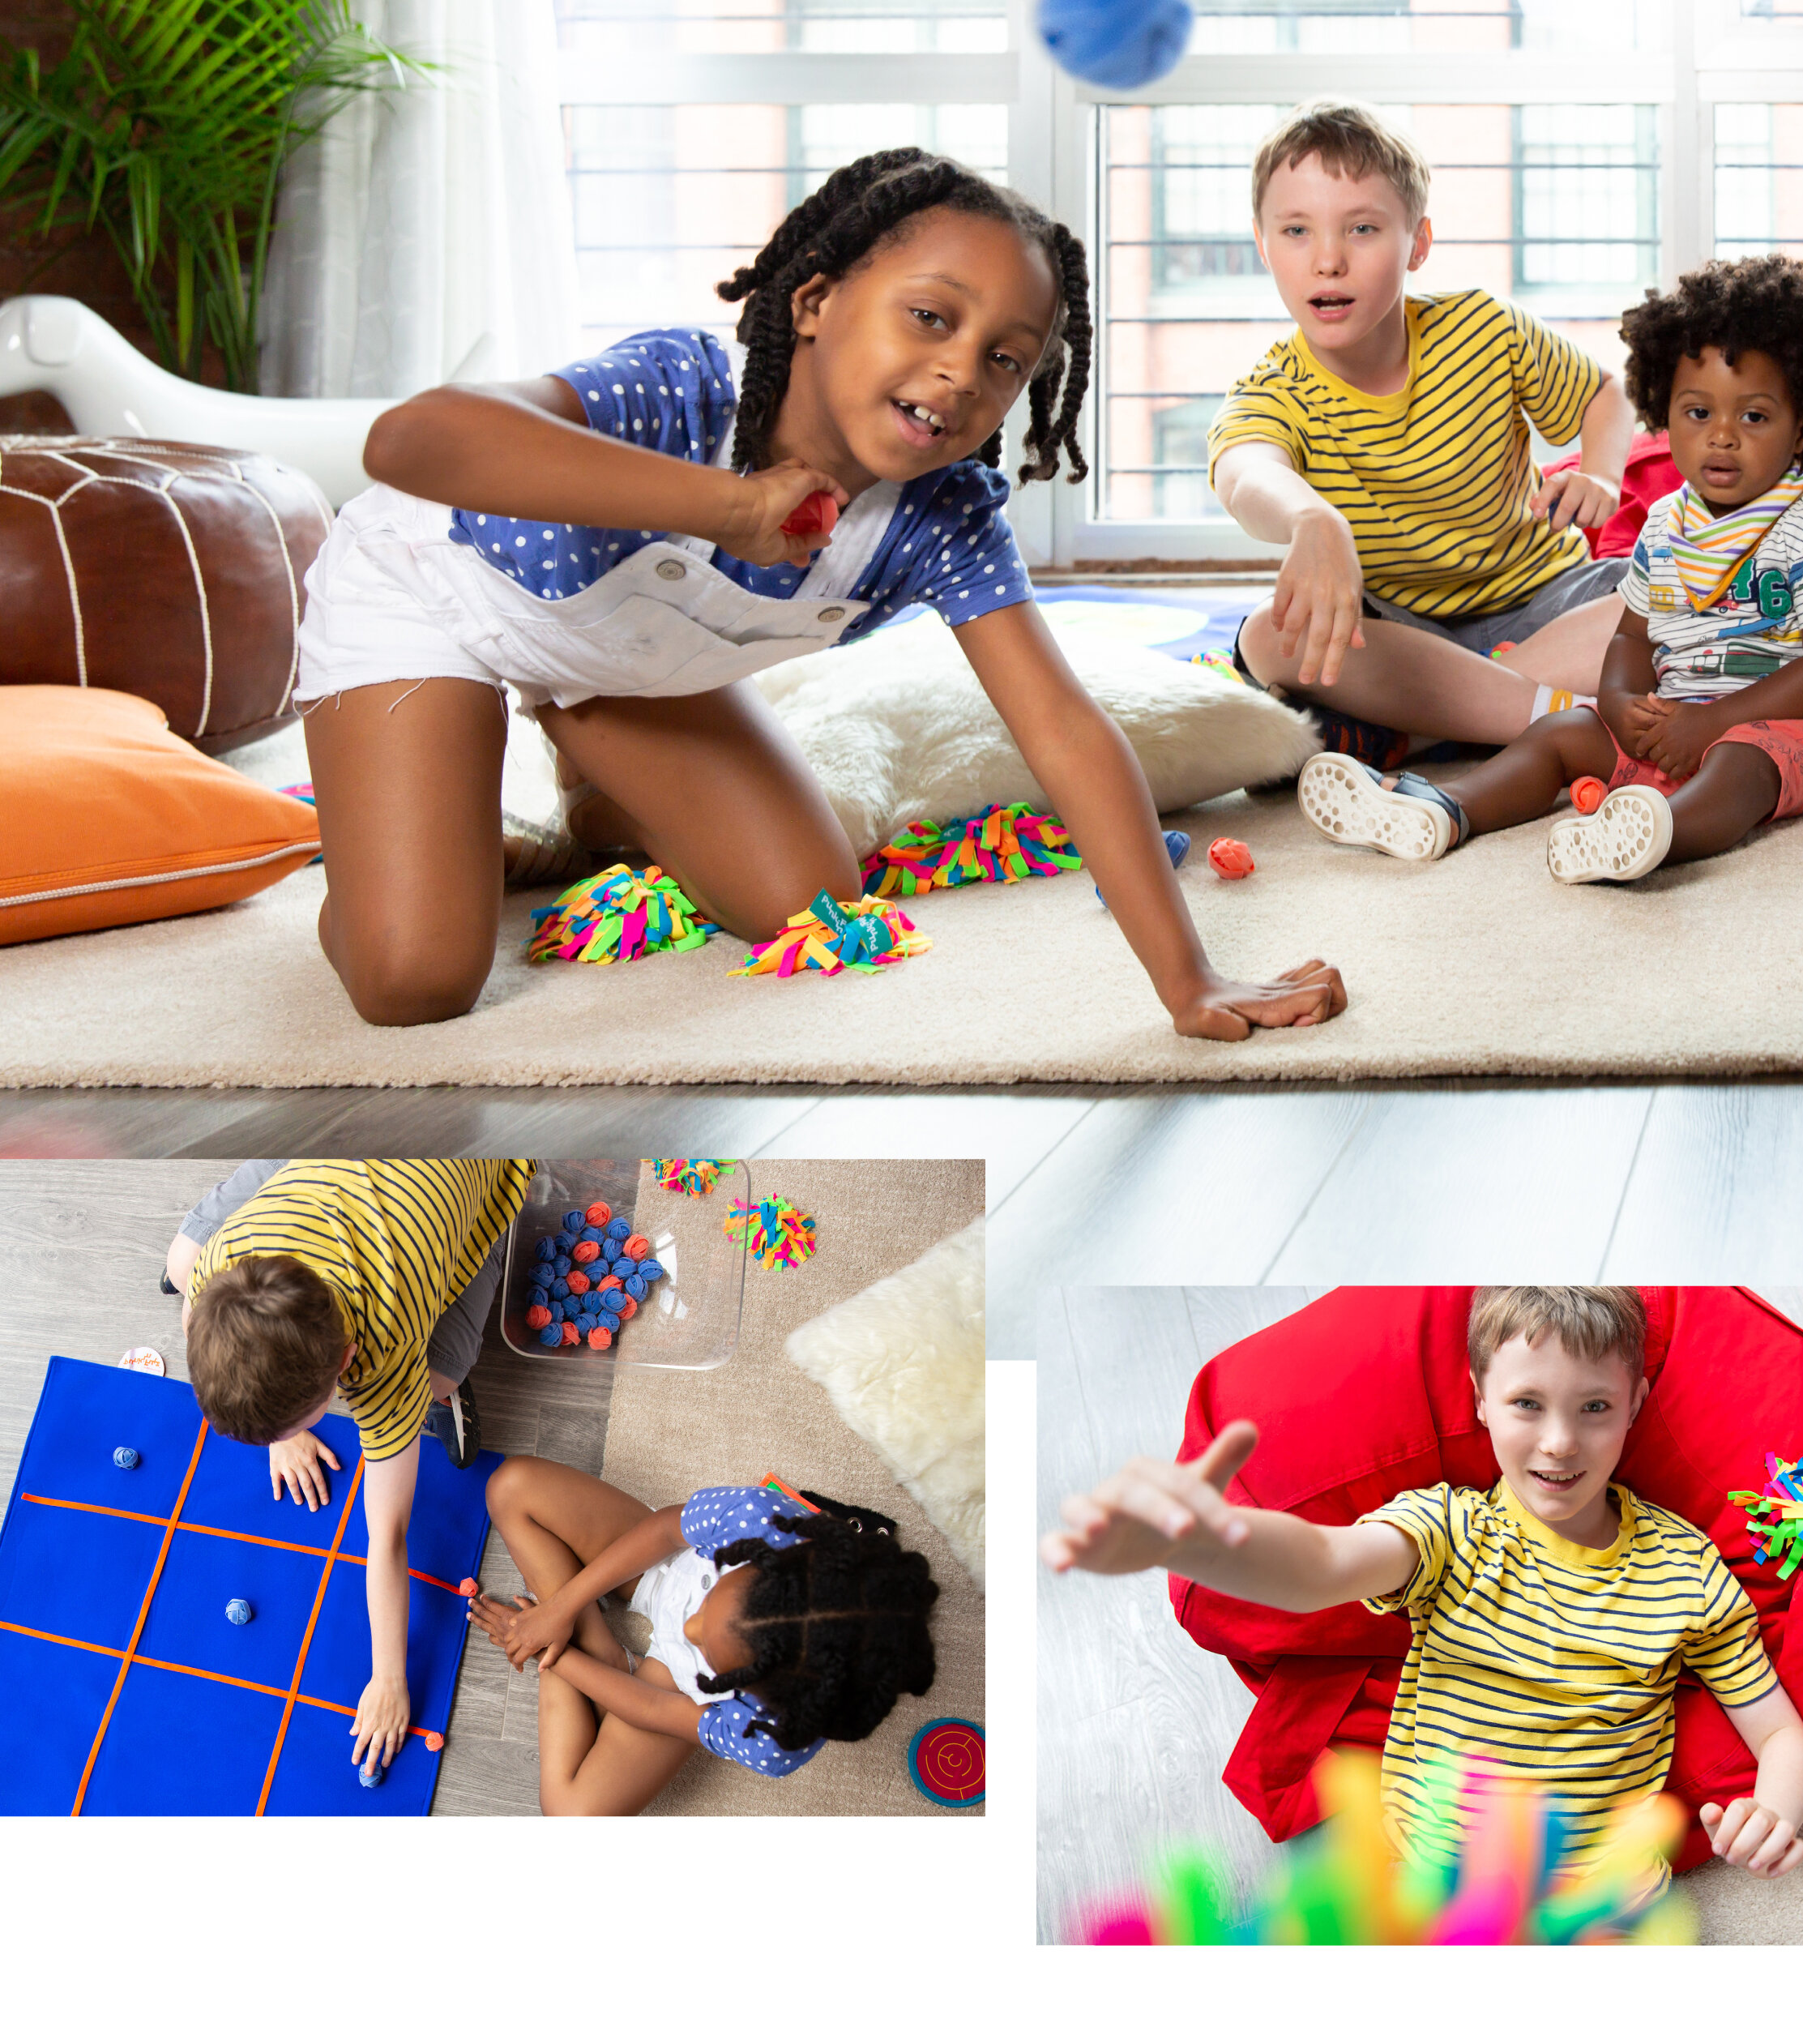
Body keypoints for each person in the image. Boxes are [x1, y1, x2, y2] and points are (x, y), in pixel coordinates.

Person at [301, 147, 1344, 1042]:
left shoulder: (944, 513)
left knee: (807, 904)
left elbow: (1065, 731)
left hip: (617, 669)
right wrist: (730, 505)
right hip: (433, 598)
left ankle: (591, 782)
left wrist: (1186, 977)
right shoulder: (679, 388)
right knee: (416, 981)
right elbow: (410, 440)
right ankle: (380, 846)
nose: (958, 372)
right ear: (814, 302)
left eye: (1004, 362)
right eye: (929, 317)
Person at [1042, 1285, 1803, 1892]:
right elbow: (1322, 1567)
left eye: (1595, 1408)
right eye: (1527, 1404)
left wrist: (1774, 1814)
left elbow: (1782, 1737)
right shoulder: (1449, 1527)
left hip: (1605, 1907)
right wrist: (1212, 1545)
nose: (1559, 1441)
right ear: (1480, 1400)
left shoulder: (1683, 1569)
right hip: (1436, 1895)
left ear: (1635, 1410)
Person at [1297, 254, 1803, 883]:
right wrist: (1621, 701)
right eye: (1698, 413)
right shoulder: (1667, 525)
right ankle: (1444, 809)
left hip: (1792, 733)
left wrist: (1711, 723)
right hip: (1675, 720)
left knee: (1739, 764)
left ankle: (1656, 834)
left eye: (1754, 417)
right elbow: (1633, 635)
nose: (1721, 436)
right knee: (1562, 731)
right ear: (1664, 411)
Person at [1208, 101, 1637, 767]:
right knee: (1270, 636)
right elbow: (1245, 472)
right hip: (1402, 636)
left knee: (1683, 594)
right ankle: (1551, 714)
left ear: (1419, 243)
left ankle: (1432, 725)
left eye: (1363, 229)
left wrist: (1604, 473)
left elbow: (1606, 395)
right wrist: (1313, 520)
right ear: (1262, 244)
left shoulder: (1485, 329)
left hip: (1545, 600)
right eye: (1296, 230)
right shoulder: (1272, 389)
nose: (1328, 260)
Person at [168, 1157, 533, 1776]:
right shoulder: (223, 1264)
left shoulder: (385, 1352)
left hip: (481, 1168)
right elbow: (194, 1314)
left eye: (304, 1418)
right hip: (336, 1169)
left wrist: (390, 1678)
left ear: (347, 1361)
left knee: (439, 1376)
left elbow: (387, 1536)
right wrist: (282, 1429)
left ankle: (444, 1375)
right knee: (181, 1265)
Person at [466, 1461, 938, 1815]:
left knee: (572, 1815)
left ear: (758, 1698)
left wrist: (555, 1653)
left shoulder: (773, 1736)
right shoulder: (764, 1518)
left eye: (712, 1653)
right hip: (667, 1571)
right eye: (713, 1605)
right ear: (762, 1560)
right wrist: (564, 1608)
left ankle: (588, 1648)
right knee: (511, 1487)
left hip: (673, 1683)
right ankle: (598, 1645)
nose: (691, 1627)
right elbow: (667, 1529)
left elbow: (653, 1708)